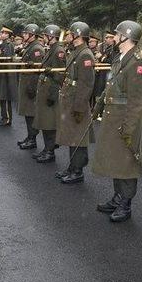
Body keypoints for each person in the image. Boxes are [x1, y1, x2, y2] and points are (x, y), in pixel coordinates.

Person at [91, 21, 142, 222]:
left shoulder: (138, 63)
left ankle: (125, 204)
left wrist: (129, 129)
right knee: (116, 159)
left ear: (126, 36)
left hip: (126, 119)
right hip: (113, 116)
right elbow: (110, 87)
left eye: (117, 34)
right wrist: (98, 106)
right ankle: (117, 198)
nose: (114, 38)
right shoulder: (120, 58)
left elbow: (137, 101)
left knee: (126, 163)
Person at [55, 21, 95, 184]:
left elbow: (86, 83)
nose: (69, 36)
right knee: (72, 135)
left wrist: (79, 107)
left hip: (77, 101)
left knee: (78, 137)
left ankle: (78, 171)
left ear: (78, 35)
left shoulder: (85, 54)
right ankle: (72, 167)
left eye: (71, 34)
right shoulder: (76, 51)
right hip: (70, 97)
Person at [32, 24, 65, 162]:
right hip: (45, 89)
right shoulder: (52, 49)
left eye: (45, 36)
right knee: (45, 122)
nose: (43, 38)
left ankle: (50, 151)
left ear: (51, 36)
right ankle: (46, 148)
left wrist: (52, 94)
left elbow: (59, 75)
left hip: (50, 90)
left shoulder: (58, 51)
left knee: (50, 123)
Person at [17, 24, 46, 150]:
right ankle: (30, 136)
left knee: (30, 112)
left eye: (26, 33)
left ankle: (32, 138)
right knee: (27, 113)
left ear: (32, 35)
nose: (24, 35)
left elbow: (37, 69)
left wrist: (32, 87)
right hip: (26, 82)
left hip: (31, 84)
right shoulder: (31, 46)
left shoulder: (36, 49)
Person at [0, 27, 16, 126]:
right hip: (2, 72)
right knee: (2, 96)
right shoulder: (2, 44)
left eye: (3, 33)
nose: (1, 34)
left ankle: (7, 118)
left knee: (5, 96)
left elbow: (6, 59)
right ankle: (3, 116)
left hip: (6, 73)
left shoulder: (8, 45)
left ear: (8, 35)